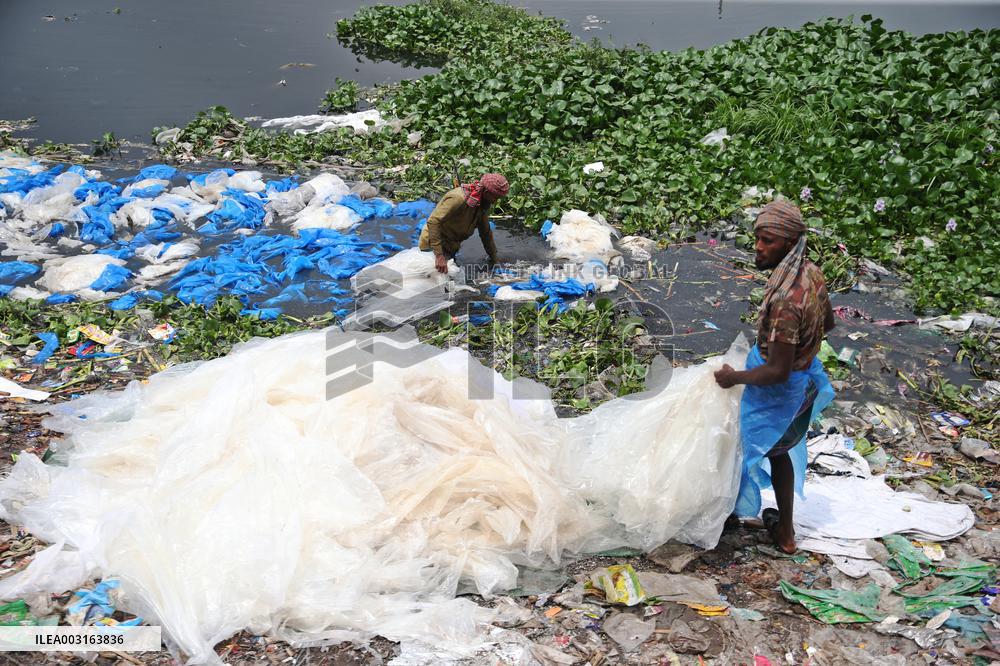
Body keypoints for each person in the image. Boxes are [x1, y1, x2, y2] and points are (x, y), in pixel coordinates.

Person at [714, 199, 836, 554]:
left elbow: (776, 372)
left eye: (767, 240)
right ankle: (785, 531)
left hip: (778, 394)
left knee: (740, 447)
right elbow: (828, 323)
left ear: (788, 243)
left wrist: (734, 377)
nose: (758, 247)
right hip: (805, 382)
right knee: (781, 453)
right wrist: (803, 346)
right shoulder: (810, 273)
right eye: (758, 238)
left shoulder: (785, 300)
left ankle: (722, 518)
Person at [419, 173, 509, 273]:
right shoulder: (458, 199)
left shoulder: (480, 205)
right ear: (486, 192)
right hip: (433, 245)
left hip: (450, 247)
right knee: (437, 281)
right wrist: (439, 256)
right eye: (495, 197)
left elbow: (486, 234)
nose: (494, 202)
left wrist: (494, 259)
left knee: (451, 278)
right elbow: (433, 222)